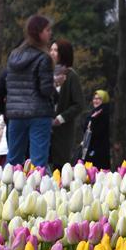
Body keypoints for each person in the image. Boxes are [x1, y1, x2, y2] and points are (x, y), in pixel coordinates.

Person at [4, 15, 56, 168]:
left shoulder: (14, 55)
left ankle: (8, 189)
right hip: (38, 113)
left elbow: (9, 83)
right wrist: (55, 86)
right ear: (38, 32)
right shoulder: (43, 58)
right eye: (47, 30)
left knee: (13, 159)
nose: (50, 33)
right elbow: (45, 90)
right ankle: (36, 190)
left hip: (16, 113)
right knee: (38, 162)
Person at [49, 39, 84, 168]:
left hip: (62, 132)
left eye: (55, 50)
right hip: (44, 128)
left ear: (63, 53)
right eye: (51, 49)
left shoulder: (71, 76)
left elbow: (79, 104)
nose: (52, 53)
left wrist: (60, 118)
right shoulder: (46, 74)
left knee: (60, 167)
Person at [82, 90, 111, 169]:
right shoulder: (94, 112)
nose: (96, 100)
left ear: (104, 100)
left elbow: (96, 131)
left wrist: (92, 120)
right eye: (94, 98)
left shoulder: (104, 113)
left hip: (99, 149)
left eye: (99, 99)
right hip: (90, 146)